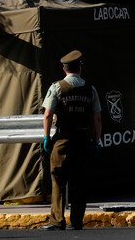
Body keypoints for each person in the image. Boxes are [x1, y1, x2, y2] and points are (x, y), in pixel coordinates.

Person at [40, 50, 102, 231]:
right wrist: (96, 141)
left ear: (64, 68)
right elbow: (97, 118)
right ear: (80, 68)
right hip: (83, 140)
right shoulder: (90, 89)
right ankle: (77, 221)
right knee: (80, 181)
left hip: (63, 140)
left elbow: (48, 114)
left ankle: (57, 220)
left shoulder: (57, 87)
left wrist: (46, 137)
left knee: (58, 179)